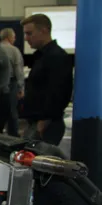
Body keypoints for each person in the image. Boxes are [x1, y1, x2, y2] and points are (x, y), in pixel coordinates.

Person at [20, 14, 73, 145]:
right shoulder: (41, 57)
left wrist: (45, 121)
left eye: (29, 33)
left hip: (46, 124)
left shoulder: (57, 57)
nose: (26, 38)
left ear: (43, 31)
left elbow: (59, 92)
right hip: (36, 122)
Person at [0, 28, 25, 137]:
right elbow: (18, 70)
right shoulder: (14, 50)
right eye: (14, 37)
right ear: (9, 37)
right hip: (11, 84)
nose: (15, 39)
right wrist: (21, 88)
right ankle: (13, 138)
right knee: (12, 112)